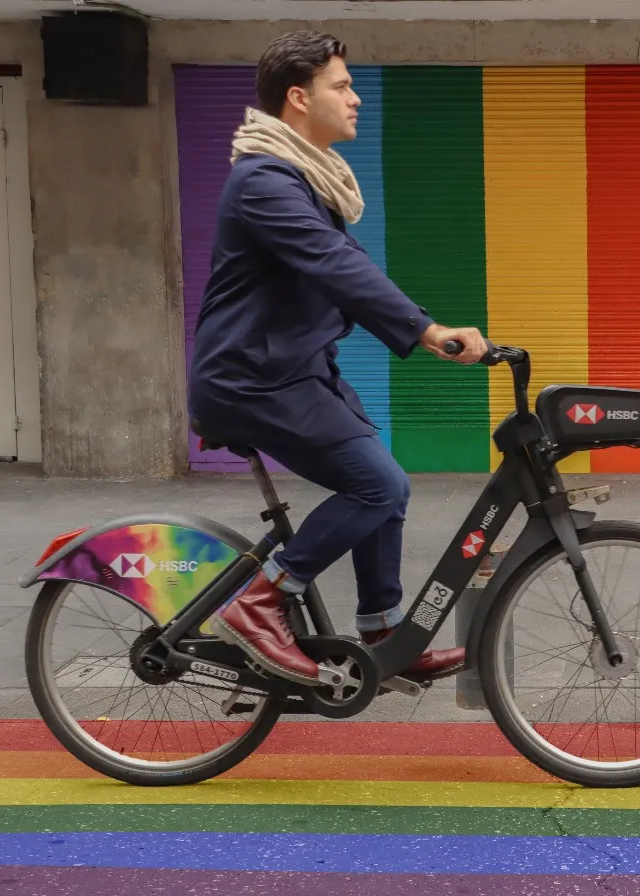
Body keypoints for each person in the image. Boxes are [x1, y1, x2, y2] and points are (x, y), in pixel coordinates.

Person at [186, 30, 488, 687]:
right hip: (251, 379)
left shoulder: (304, 178)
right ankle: (261, 601)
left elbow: (340, 267)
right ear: (299, 98)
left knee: (385, 486)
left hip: (292, 371)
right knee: (378, 486)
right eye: (342, 86)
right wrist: (427, 331)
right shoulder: (264, 180)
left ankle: (383, 633)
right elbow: (333, 263)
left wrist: (417, 326)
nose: (356, 99)